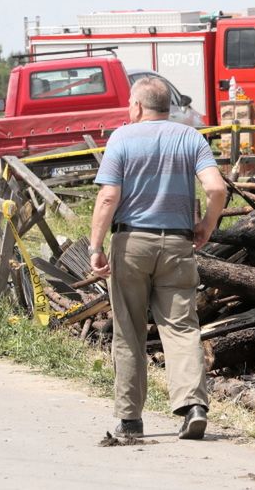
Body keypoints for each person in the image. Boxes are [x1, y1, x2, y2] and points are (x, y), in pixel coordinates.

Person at [88, 76, 227, 440]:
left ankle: (131, 419)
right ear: (169, 107)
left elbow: (107, 198)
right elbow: (216, 187)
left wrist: (96, 246)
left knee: (129, 331)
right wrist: (206, 225)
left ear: (136, 106)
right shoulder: (190, 137)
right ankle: (193, 406)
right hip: (178, 245)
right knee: (181, 328)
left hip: (131, 242)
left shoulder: (121, 138)